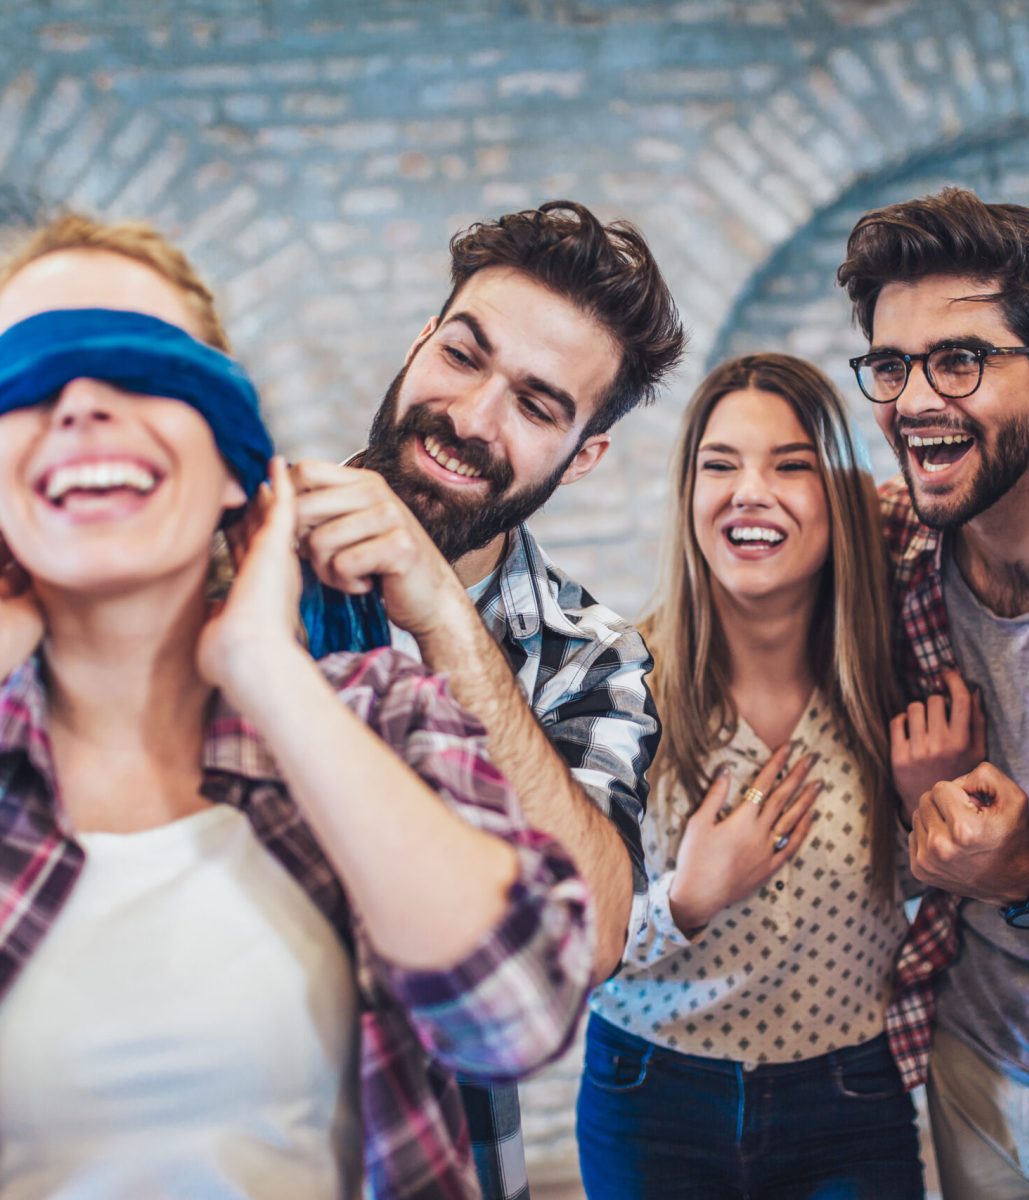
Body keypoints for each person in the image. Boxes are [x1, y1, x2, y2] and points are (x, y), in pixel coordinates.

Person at [0, 215, 591, 1200]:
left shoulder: (383, 716)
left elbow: (517, 1012)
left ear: (238, 459)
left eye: (144, 371)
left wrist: (266, 667)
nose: (84, 406)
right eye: (28, 373)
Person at [290, 200, 686, 1198]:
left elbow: (594, 935)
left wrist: (444, 621)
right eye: (463, 355)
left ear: (585, 453)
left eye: (538, 405)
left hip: (438, 1159)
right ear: (422, 339)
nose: (469, 417)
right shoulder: (230, 557)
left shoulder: (592, 660)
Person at [836, 187, 1029, 1199]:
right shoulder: (893, 550)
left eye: (960, 360)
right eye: (891, 365)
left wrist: (1017, 878)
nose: (913, 400)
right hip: (970, 1064)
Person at [576, 353, 921, 1198]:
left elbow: (931, 906)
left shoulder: (901, 684)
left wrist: (929, 808)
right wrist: (686, 900)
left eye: (790, 465)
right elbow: (562, 944)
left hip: (849, 1095)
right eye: (719, 465)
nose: (750, 492)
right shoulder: (614, 690)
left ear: (841, 497)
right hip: (650, 1097)